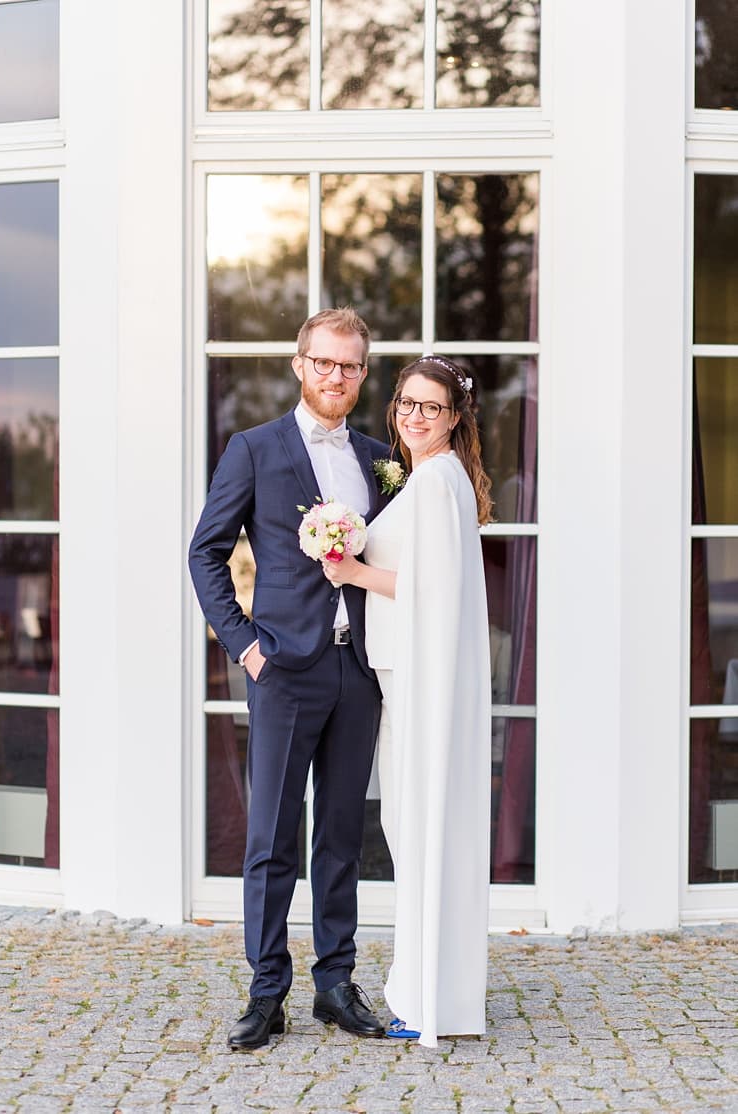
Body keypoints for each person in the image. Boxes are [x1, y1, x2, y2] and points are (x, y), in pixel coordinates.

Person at [189, 307, 395, 1051]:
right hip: (283, 670)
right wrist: (245, 646)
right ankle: (266, 990)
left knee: (342, 834)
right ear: (299, 364)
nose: (336, 376)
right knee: (272, 838)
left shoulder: (379, 457)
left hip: (358, 671)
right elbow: (205, 553)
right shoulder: (253, 449)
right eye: (324, 363)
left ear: (362, 374)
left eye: (350, 366)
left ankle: (335, 983)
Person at [322, 355, 492, 1048]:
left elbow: (435, 587)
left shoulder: (439, 479)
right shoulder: (430, 478)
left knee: (420, 829)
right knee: (412, 829)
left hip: (421, 683)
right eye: (406, 405)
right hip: (402, 677)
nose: (415, 417)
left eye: (431, 407)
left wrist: (353, 571)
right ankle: (429, 990)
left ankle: (428, 1000)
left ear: (454, 417)